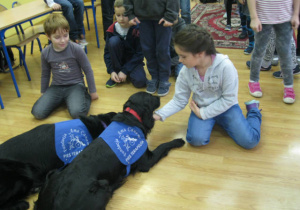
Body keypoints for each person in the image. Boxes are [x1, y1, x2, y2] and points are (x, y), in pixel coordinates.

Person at [153, 24, 262, 149]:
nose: (179, 60)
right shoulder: (185, 71)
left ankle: (253, 109)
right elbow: (179, 100)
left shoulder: (225, 66)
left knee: (250, 141)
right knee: (195, 140)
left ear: (200, 53)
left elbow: (229, 99)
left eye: (183, 56)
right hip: (201, 107)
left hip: (226, 107)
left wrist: (203, 114)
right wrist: (158, 115)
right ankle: (217, 120)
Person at [31, 13, 98, 119]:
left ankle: (81, 96)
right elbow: (45, 74)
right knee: (37, 113)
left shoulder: (76, 49)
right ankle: (65, 99)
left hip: (75, 85)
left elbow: (88, 70)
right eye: (57, 37)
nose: (62, 40)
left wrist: (93, 91)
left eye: (65, 35)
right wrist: (43, 92)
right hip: (56, 87)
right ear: (48, 36)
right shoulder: (45, 53)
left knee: (77, 114)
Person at [247, 0, 300, 104]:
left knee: (285, 53)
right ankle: (253, 81)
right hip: (263, 18)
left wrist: (295, 14)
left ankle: (289, 86)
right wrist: (254, 17)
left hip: (285, 17)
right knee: (259, 51)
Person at [124, 0, 179, 97]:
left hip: (162, 17)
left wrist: (170, 16)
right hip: (142, 18)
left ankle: (163, 79)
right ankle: (154, 77)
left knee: (162, 50)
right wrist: (130, 14)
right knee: (147, 50)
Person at [104, 0, 147, 88]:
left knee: (140, 82)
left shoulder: (137, 29)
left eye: (125, 15)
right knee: (113, 41)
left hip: (133, 61)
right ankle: (116, 73)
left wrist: (125, 70)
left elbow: (140, 54)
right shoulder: (111, 29)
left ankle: (125, 73)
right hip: (117, 62)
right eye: (118, 15)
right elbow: (107, 53)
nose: (121, 19)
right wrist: (111, 70)